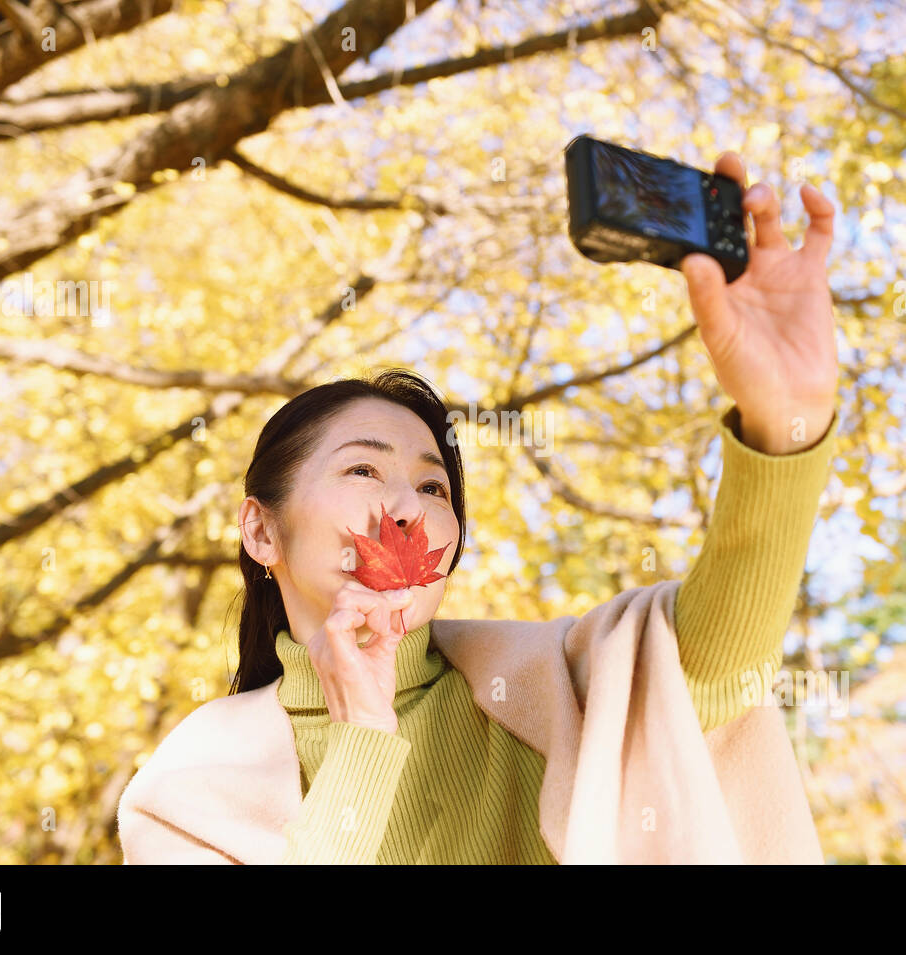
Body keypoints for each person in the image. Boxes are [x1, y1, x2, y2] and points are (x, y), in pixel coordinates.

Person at [117, 151, 840, 863]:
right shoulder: (188, 791)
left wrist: (785, 419)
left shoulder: (559, 690)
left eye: (434, 487)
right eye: (364, 468)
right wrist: (364, 739)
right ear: (261, 529)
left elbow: (717, 664)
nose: (407, 506)